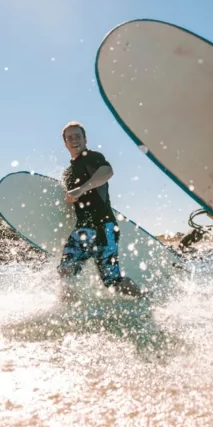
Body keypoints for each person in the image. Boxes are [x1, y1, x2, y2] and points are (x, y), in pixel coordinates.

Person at [58, 121, 142, 298]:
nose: (74, 140)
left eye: (78, 136)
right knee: (65, 270)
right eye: (70, 137)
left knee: (112, 282)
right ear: (65, 143)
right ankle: (67, 314)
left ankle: (146, 299)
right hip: (82, 228)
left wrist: (81, 189)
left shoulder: (92, 157)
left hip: (103, 227)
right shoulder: (67, 173)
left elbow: (108, 172)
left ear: (85, 139)